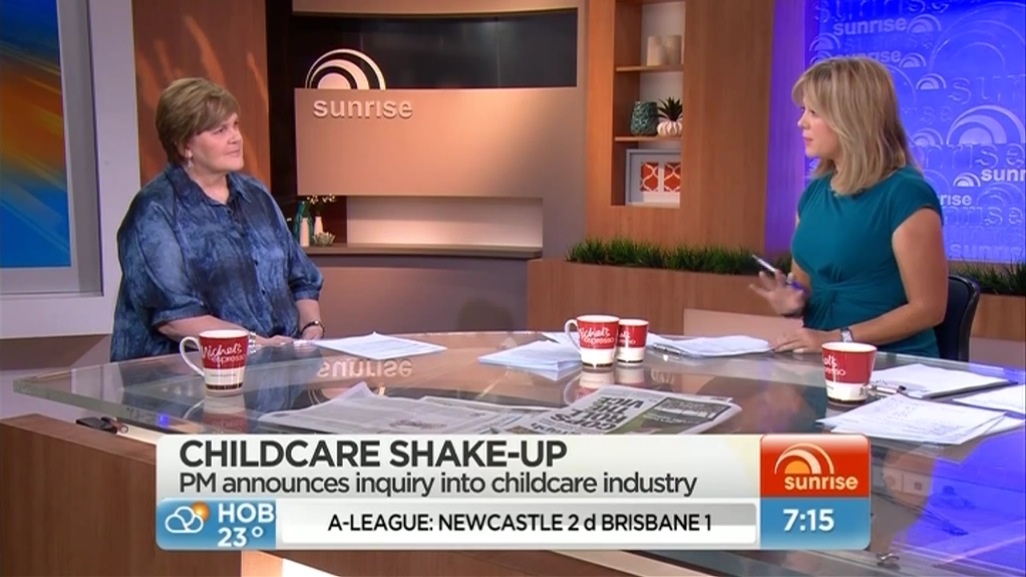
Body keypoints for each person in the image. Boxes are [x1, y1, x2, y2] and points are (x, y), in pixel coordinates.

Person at [110, 78, 325, 362]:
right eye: (220, 130)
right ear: (184, 145)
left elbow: (301, 279)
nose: (236, 137)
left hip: (275, 370)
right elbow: (175, 318)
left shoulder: (256, 195)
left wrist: (311, 326)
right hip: (184, 377)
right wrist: (258, 344)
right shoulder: (154, 210)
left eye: (235, 125)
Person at [750, 57, 948, 357]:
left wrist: (837, 338)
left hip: (891, 364)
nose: (801, 122)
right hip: (820, 360)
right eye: (803, 110)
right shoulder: (814, 193)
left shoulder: (905, 194)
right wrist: (791, 302)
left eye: (814, 112)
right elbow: (805, 285)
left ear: (851, 119)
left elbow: (929, 308)